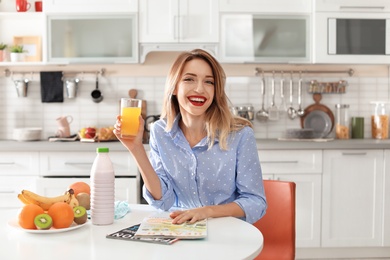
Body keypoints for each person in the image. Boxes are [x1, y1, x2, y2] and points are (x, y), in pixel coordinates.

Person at [114, 49, 266, 224]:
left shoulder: (240, 135)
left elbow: (255, 202)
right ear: (174, 87)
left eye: (209, 82)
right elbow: (163, 200)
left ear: (216, 91)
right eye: (189, 79)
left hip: (227, 229)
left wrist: (207, 212)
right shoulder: (160, 132)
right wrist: (136, 148)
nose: (200, 89)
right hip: (179, 229)